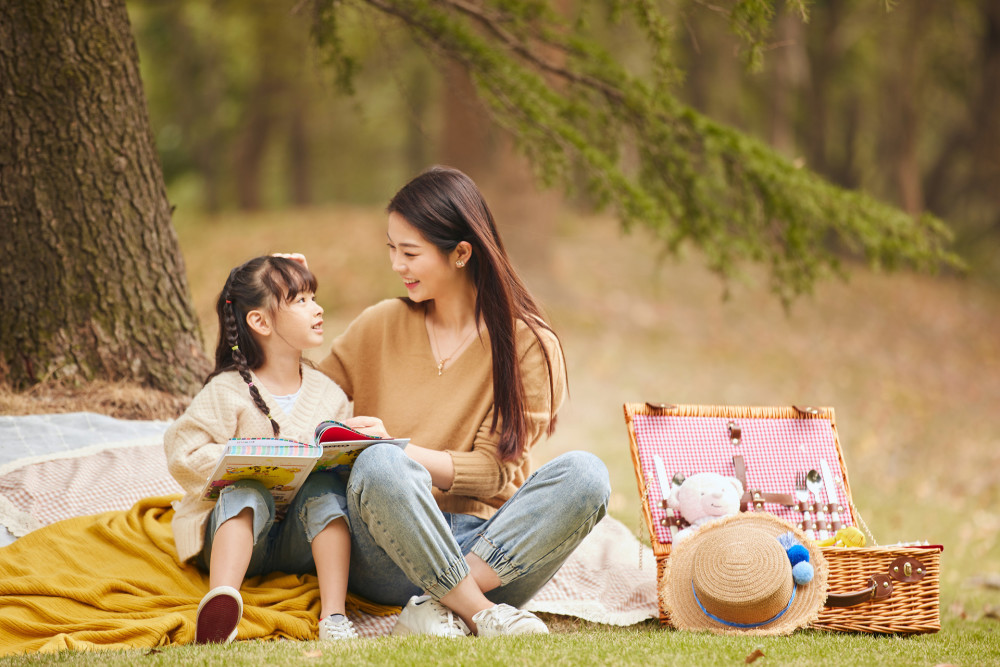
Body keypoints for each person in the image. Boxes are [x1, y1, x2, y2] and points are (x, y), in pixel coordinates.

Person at [314, 166, 611, 638]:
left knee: (587, 474)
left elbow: (493, 472)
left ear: (461, 253)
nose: (397, 265)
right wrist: (277, 294)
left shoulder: (528, 343)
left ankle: (440, 604)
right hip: (387, 547)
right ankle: (480, 612)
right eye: (392, 249)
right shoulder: (379, 324)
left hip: (488, 551)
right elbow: (301, 398)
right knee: (380, 469)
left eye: (410, 252)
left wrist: (396, 448)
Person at [164, 255, 362, 644]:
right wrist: (241, 459)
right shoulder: (228, 390)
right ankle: (220, 607)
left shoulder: (330, 396)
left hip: (299, 539)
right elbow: (182, 453)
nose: (317, 309)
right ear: (260, 321)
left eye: (313, 297)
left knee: (325, 492)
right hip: (235, 538)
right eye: (301, 300)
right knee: (247, 493)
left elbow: (342, 466)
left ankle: (335, 618)